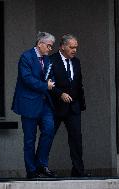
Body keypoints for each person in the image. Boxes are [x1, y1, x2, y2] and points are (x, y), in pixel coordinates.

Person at [11, 32, 57, 179]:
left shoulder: (48, 59)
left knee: (49, 131)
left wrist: (51, 82)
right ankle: (31, 170)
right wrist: (45, 85)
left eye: (51, 46)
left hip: (44, 103)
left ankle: (41, 165)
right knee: (30, 139)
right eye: (48, 45)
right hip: (29, 103)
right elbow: (27, 79)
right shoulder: (26, 57)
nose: (50, 49)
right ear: (40, 44)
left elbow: (51, 76)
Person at [49, 34, 88, 177]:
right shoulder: (51, 60)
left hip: (73, 106)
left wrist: (81, 104)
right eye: (71, 47)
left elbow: (79, 84)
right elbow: (48, 82)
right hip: (55, 106)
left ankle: (78, 170)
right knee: (48, 136)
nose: (74, 50)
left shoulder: (76, 62)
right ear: (62, 47)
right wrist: (60, 94)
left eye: (76, 47)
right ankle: (40, 168)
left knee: (76, 138)